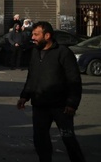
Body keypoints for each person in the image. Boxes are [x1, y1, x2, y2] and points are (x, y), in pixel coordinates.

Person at [17, 21, 85, 162]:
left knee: (69, 139)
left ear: (47, 35)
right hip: (40, 105)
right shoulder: (35, 52)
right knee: (40, 141)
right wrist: (24, 96)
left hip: (61, 107)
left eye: (36, 34)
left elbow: (74, 80)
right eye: (32, 34)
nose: (33, 37)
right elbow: (32, 77)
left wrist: (72, 103)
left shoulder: (63, 53)